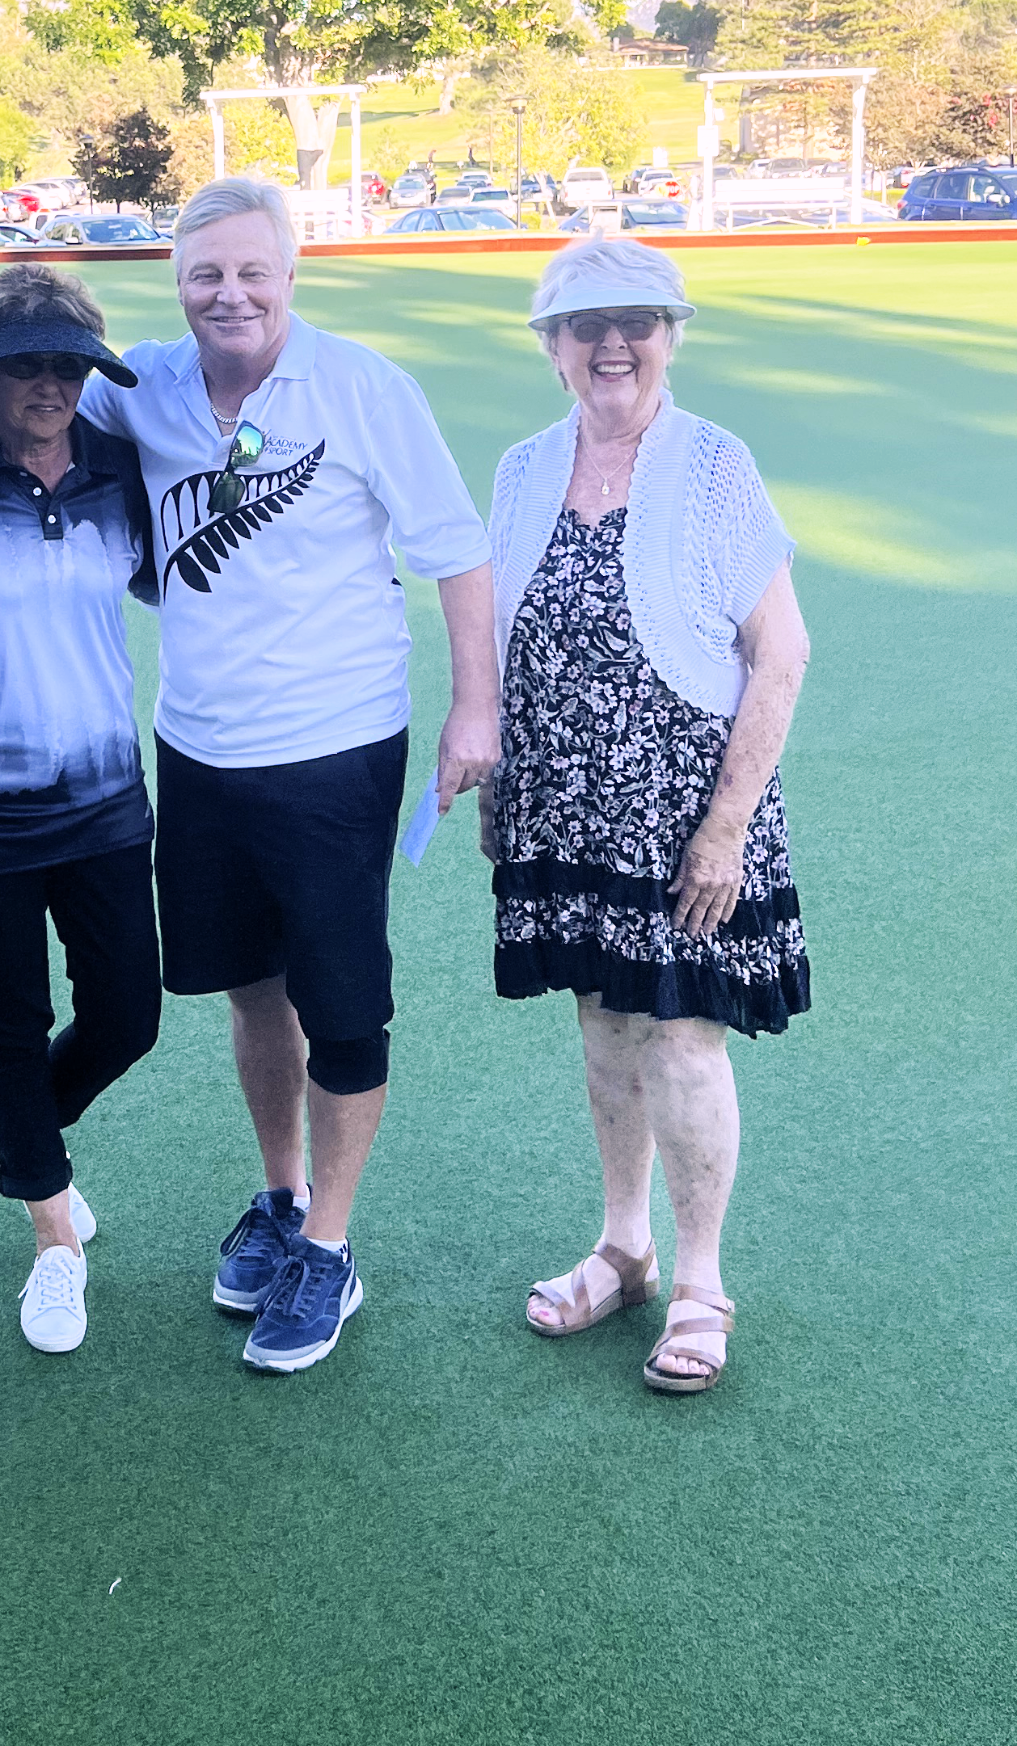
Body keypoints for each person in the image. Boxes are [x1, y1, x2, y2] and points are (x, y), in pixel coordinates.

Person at [0, 178, 500, 1374]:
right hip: (196, 752)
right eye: (205, 275)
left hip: (336, 749)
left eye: (251, 272)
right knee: (250, 990)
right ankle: (282, 1197)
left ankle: (332, 1251)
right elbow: (23, 402)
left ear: (290, 276)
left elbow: (453, 549)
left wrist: (474, 708)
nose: (228, 294)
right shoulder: (137, 384)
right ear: (177, 286)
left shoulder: (359, 387)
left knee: (342, 1005)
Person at [487, 238, 811, 1394]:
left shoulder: (716, 464)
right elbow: (506, 640)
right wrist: (507, 791)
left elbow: (779, 654)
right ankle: (621, 1247)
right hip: (566, 805)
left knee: (681, 1037)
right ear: (551, 347)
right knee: (603, 1027)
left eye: (636, 321)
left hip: (685, 811)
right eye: (584, 325)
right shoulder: (523, 467)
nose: (610, 343)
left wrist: (723, 827)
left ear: (670, 335)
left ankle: (699, 1281)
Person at [0, 264, 162, 1354]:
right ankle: (52, 1236)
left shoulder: (120, 471)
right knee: (6, 1019)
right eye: (23, 366)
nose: (49, 385)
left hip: (107, 794)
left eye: (68, 365)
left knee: (128, 1015)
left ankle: (23, 1131)